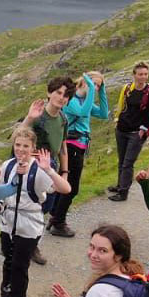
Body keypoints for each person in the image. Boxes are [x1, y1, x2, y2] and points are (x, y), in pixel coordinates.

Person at [0, 126, 70, 297]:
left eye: (25, 145)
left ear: (33, 147)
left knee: (19, 265)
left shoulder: (39, 170)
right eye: (17, 145)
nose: (21, 149)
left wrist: (48, 169)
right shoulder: (7, 166)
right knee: (8, 261)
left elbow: (65, 189)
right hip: (8, 222)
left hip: (29, 224)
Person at [49, 70, 109, 237]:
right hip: (71, 146)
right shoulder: (72, 100)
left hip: (80, 146)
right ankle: (58, 222)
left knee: (65, 185)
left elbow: (104, 114)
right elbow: (83, 112)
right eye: (94, 84)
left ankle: (55, 217)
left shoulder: (85, 101)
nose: (95, 88)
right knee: (72, 188)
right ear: (84, 82)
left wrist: (102, 91)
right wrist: (90, 87)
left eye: (98, 85)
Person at [24, 77, 73, 265]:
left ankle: (31, 243)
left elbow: (62, 146)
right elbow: (16, 137)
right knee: (28, 205)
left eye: (66, 95)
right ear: (49, 93)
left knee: (45, 206)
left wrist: (65, 171)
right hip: (30, 166)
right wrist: (29, 118)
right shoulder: (38, 116)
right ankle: (22, 243)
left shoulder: (63, 119)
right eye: (58, 92)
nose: (62, 97)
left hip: (49, 166)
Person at [110, 61, 149, 202]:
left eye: (145, 74)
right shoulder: (127, 89)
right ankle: (120, 185)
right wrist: (117, 121)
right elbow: (122, 105)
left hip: (136, 133)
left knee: (128, 163)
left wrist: (143, 130)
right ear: (134, 75)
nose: (143, 77)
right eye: (140, 74)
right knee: (122, 160)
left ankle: (123, 192)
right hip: (122, 129)